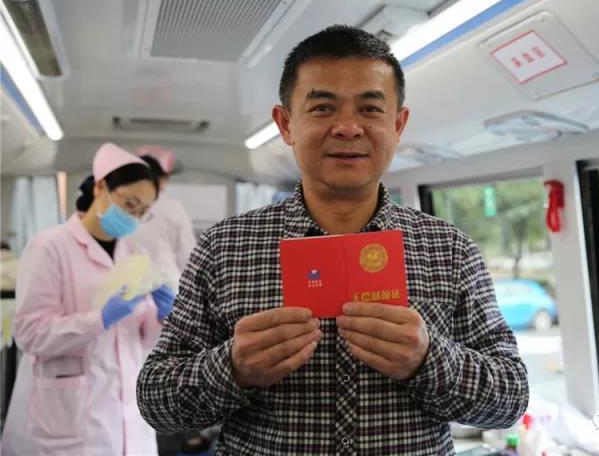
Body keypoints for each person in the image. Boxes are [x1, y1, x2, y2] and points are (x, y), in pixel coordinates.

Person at [137, 25, 529, 455]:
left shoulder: (449, 250)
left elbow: (510, 397)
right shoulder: (224, 247)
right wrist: (232, 368)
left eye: (370, 109)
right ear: (286, 124)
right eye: (323, 108)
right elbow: (156, 399)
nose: (347, 127)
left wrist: (429, 359)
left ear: (398, 124)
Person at [1, 143, 177, 456]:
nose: (133, 217)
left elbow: (141, 341)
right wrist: (100, 319)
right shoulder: (49, 247)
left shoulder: (135, 255)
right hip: (65, 421)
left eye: (142, 212)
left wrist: (165, 318)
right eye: (129, 204)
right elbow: (29, 333)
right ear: (100, 187)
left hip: (128, 418)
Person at [129, 146, 196, 290]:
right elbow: (188, 257)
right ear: (162, 178)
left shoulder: (123, 203)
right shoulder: (174, 208)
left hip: (127, 284)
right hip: (166, 283)